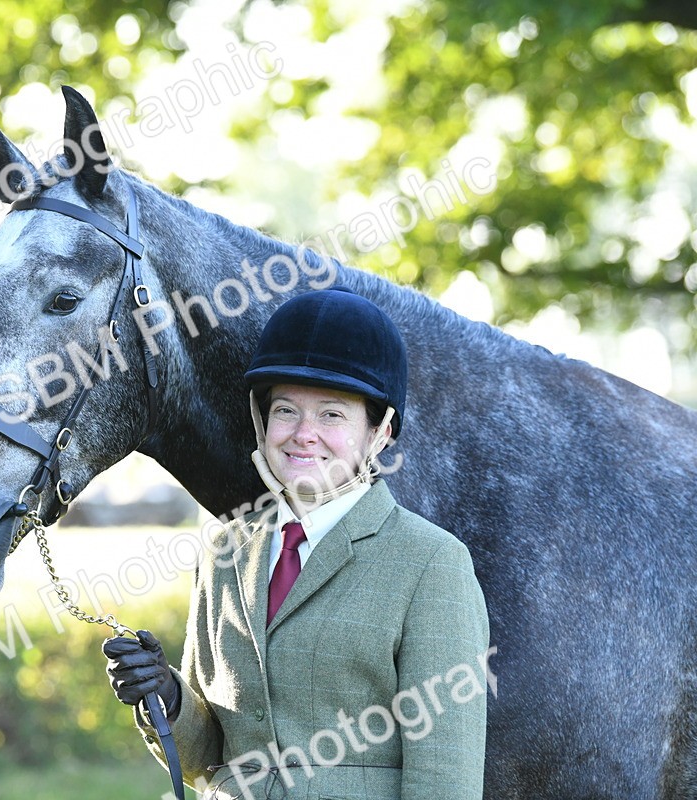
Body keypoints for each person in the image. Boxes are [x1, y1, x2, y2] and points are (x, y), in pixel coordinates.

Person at [103, 286, 490, 799]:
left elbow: (444, 783)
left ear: (380, 431)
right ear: (263, 422)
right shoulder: (223, 551)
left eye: (332, 414)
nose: (304, 433)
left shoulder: (432, 564)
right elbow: (207, 761)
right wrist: (166, 695)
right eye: (286, 410)